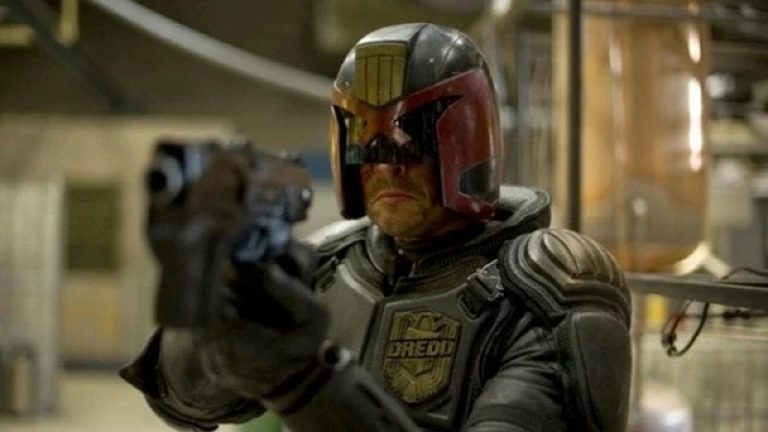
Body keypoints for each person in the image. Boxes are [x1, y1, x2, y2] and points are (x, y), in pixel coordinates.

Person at [121, 23, 632, 432]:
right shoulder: (328, 267)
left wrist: (304, 382)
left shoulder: (547, 289)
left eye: (412, 141)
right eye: (366, 145)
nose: (387, 168)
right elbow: (181, 403)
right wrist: (215, 315)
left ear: (465, 142)